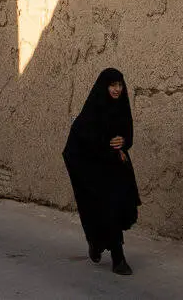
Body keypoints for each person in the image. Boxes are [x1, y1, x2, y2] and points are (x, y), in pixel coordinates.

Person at [62, 67, 141, 275]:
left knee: (118, 207)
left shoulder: (122, 106)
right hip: (96, 168)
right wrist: (106, 145)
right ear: (104, 86)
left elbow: (128, 131)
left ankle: (103, 247)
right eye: (112, 85)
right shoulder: (93, 109)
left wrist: (124, 141)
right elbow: (80, 137)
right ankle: (115, 256)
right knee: (104, 209)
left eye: (120, 85)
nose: (117, 89)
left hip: (116, 167)